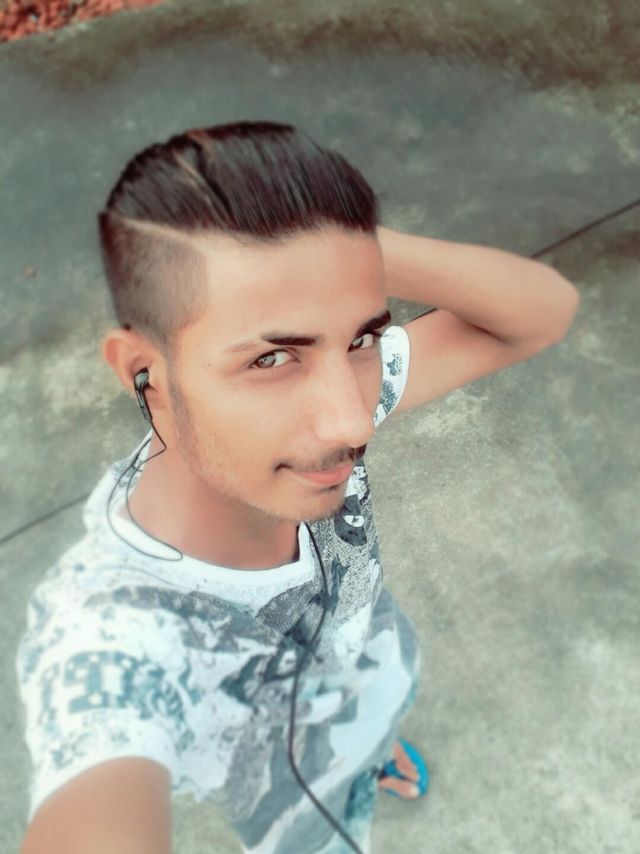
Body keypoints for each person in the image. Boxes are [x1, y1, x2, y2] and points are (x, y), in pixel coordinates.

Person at [16, 121, 426, 854]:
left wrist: (350, 256)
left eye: (361, 338)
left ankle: (376, 747)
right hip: (307, 817)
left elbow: (534, 312)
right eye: (272, 359)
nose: (351, 421)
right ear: (144, 373)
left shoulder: (311, 419)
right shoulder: (108, 636)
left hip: (371, 680)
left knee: (373, 717)